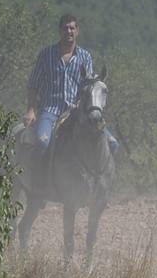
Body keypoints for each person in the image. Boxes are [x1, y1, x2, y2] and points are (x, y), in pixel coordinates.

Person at [23, 13, 116, 168]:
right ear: (60, 31)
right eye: (65, 28)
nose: (69, 31)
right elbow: (33, 84)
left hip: (76, 111)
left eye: (72, 28)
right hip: (50, 110)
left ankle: (100, 183)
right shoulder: (46, 54)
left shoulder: (85, 56)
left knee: (112, 144)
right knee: (42, 142)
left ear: (77, 31)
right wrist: (31, 110)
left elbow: (89, 86)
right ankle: (38, 183)